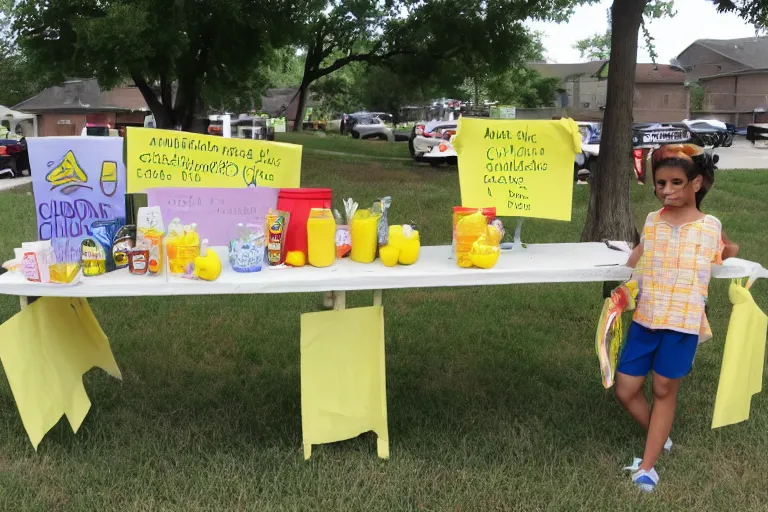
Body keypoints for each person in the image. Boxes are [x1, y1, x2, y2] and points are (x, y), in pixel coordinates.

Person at [614, 143, 739, 492]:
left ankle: (648, 467)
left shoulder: (709, 225)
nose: (666, 191)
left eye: (675, 183)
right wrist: (623, 286)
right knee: (626, 389)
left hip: (683, 321)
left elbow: (728, 250)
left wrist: (728, 258)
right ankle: (661, 433)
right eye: (660, 183)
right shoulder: (653, 220)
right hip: (646, 316)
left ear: (695, 184)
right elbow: (638, 256)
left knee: (664, 388)